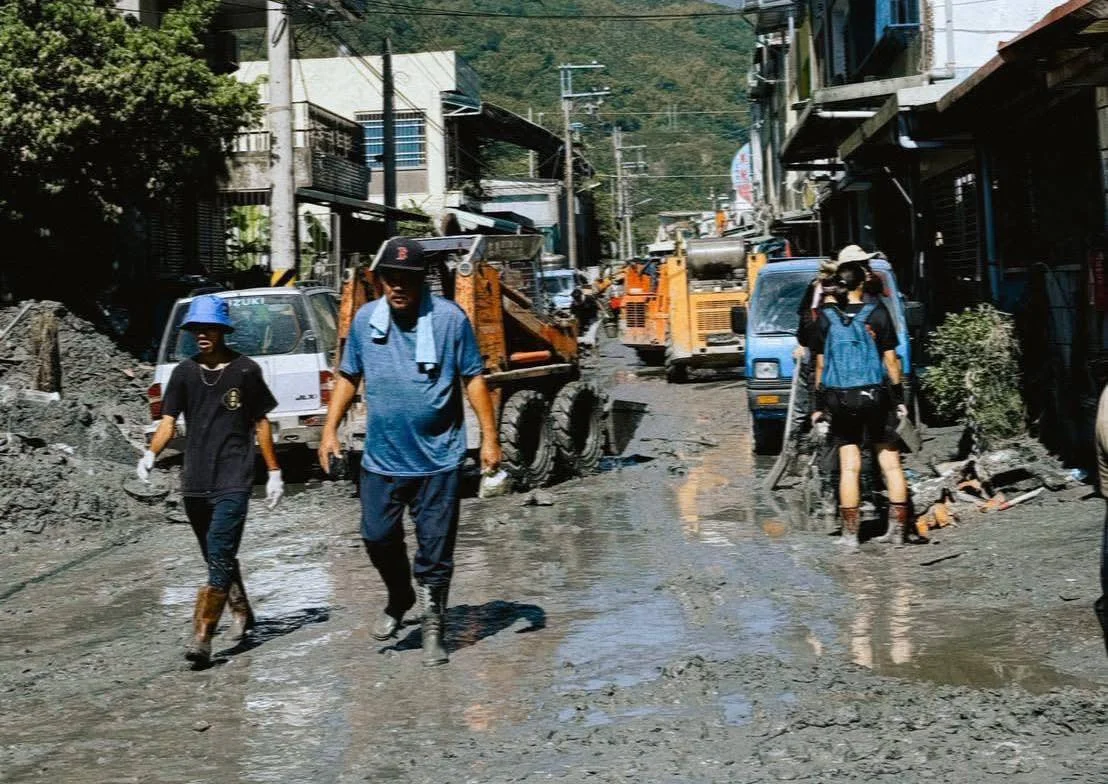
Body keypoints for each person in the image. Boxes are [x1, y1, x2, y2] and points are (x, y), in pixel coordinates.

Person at [318, 237, 502, 667]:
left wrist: (491, 438)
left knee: (435, 550)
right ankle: (400, 594)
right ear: (380, 280)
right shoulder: (366, 321)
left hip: (439, 458)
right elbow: (348, 375)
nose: (398, 287)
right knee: (377, 536)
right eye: (390, 278)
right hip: (382, 457)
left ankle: (434, 625)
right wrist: (329, 430)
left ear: (421, 282)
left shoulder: (449, 320)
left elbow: (473, 379)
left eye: (407, 279)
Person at [137, 295, 283, 667]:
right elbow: (168, 423)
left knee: (219, 553)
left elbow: (261, 422)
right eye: (196, 329)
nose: (202, 334)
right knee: (216, 555)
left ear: (221, 331)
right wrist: (151, 454)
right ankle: (243, 612)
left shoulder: (246, 371)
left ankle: (202, 637)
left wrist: (274, 472)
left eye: (209, 328)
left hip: (234, 476)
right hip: (195, 480)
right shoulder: (183, 373)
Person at [812, 259, 910, 551]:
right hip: (875, 395)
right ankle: (898, 531)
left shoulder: (825, 318)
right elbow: (891, 362)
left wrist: (819, 404)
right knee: (890, 464)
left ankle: (850, 535)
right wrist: (899, 398)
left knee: (850, 467)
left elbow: (819, 365)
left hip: (840, 397)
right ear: (862, 283)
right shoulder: (877, 313)